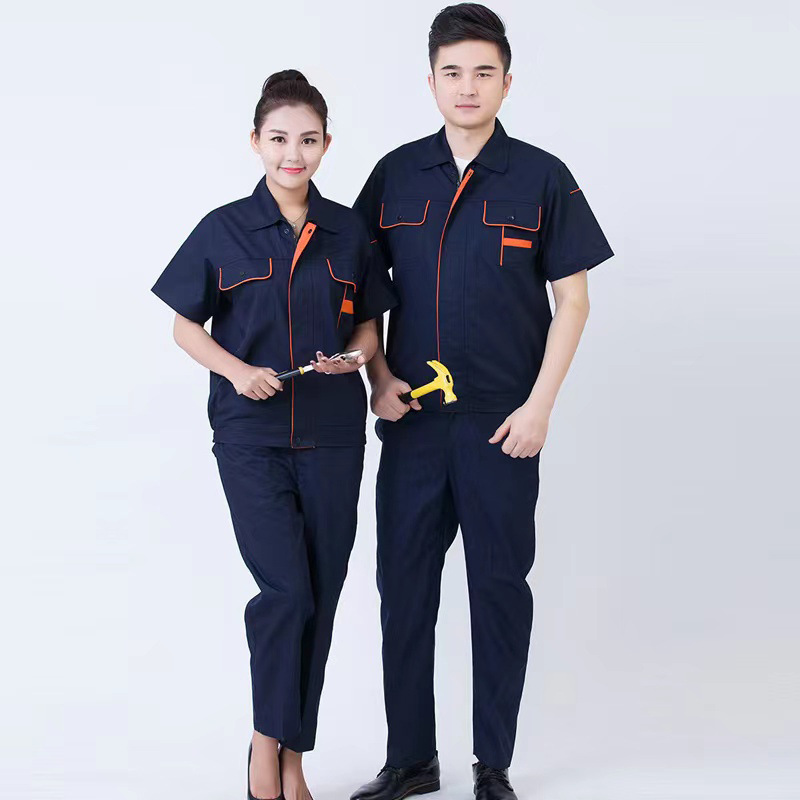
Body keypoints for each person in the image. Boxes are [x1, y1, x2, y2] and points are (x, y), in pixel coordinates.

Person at [349, 6, 615, 800]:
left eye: (484, 72)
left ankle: (492, 764)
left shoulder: (541, 176)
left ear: (507, 81)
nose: (468, 87)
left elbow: (574, 301)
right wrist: (377, 379)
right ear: (431, 81)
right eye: (453, 72)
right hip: (415, 423)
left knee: (499, 592)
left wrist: (539, 409)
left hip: (503, 425)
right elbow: (356, 290)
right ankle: (410, 761)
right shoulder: (395, 175)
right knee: (404, 591)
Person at [151, 70, 397, 800]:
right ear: (256, 141)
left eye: (308, 140)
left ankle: (294, 758)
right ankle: (267, 743)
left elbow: (368, 325)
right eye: (280, 138)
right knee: (285, 593)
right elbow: (185, 326)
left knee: (320, 593)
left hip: (332, 435)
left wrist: (356, 359)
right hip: (251, 438)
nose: (294, 154)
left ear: (327, 145)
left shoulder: (350, 231)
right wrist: (236, 371)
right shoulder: (222, 229)